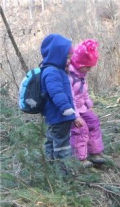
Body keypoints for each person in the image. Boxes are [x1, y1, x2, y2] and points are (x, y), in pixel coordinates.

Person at [68, 39, 105, 167]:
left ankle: (95, 152)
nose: (89, 70)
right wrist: (75, 116)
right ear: (79, 63)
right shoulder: (70, 76)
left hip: (82, 107)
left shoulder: (81, 75)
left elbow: (84, 91)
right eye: (87, 67)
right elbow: (69, 98)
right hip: (73, 111)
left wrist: (88, 102)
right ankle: (80, 158)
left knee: (93, 121)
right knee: (81, 128)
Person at [40, 34, 76, 162]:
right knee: (62, 146)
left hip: (56, 116)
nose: (69, 61)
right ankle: (63, 173)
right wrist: (66, 108)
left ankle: (50, 167)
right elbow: (56, 92)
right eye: (66, 57)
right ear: (56, 55)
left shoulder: (55, 70)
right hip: (60, 116)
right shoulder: (52, 72)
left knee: (51, 140)